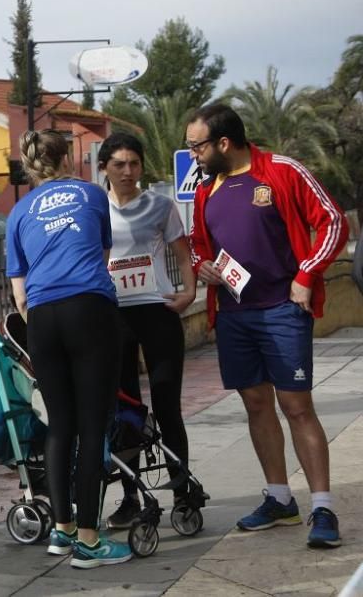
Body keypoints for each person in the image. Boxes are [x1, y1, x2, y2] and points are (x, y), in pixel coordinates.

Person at [187, 104, 348, 548]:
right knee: (256, 406)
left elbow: (333, 221)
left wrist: (305, 275)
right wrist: (203, 267)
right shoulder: (207, 190)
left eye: (197, 145)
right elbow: (201, 246)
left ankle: (322, 507)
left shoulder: (281, 170)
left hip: (282, 309)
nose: (192, 154)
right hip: (235, 314)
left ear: (223, 143)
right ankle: (279, 499)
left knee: (297, 407)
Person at [5, 129, 131, 568]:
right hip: (88, 307)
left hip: (41, 317)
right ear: (68, 160)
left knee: (59, 426)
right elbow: (101, 251)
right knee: (93, 425)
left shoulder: (18, 213)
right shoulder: (92, 195)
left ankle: (62, 531)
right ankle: (91, 541)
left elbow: (18, 295)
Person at [98, 132, 197, 529]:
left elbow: (183, 255)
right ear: (104, 166)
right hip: (114, 317)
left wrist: (190, 292)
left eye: (134, 163)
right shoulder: (94, 208)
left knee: (167, 405)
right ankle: (130, 499)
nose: (127, 171)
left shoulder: (159, 205)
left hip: (156, 312)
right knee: (125, 414)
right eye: (119, 164)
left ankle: (184, 494)